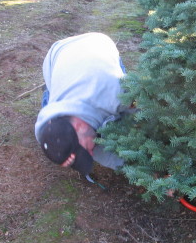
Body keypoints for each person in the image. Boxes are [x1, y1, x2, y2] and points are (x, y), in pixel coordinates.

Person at [35, 32, 129, 179]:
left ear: (80, 126)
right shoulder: (46, 132)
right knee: (53, 99)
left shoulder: (116, 91)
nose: (91, 154)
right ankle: (53, 91)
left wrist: (147, 169)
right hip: (57, 57)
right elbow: (98, 150)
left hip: (98, 43)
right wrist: (129, 168)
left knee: (121, 117)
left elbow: (147, 110)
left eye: (85, 150)